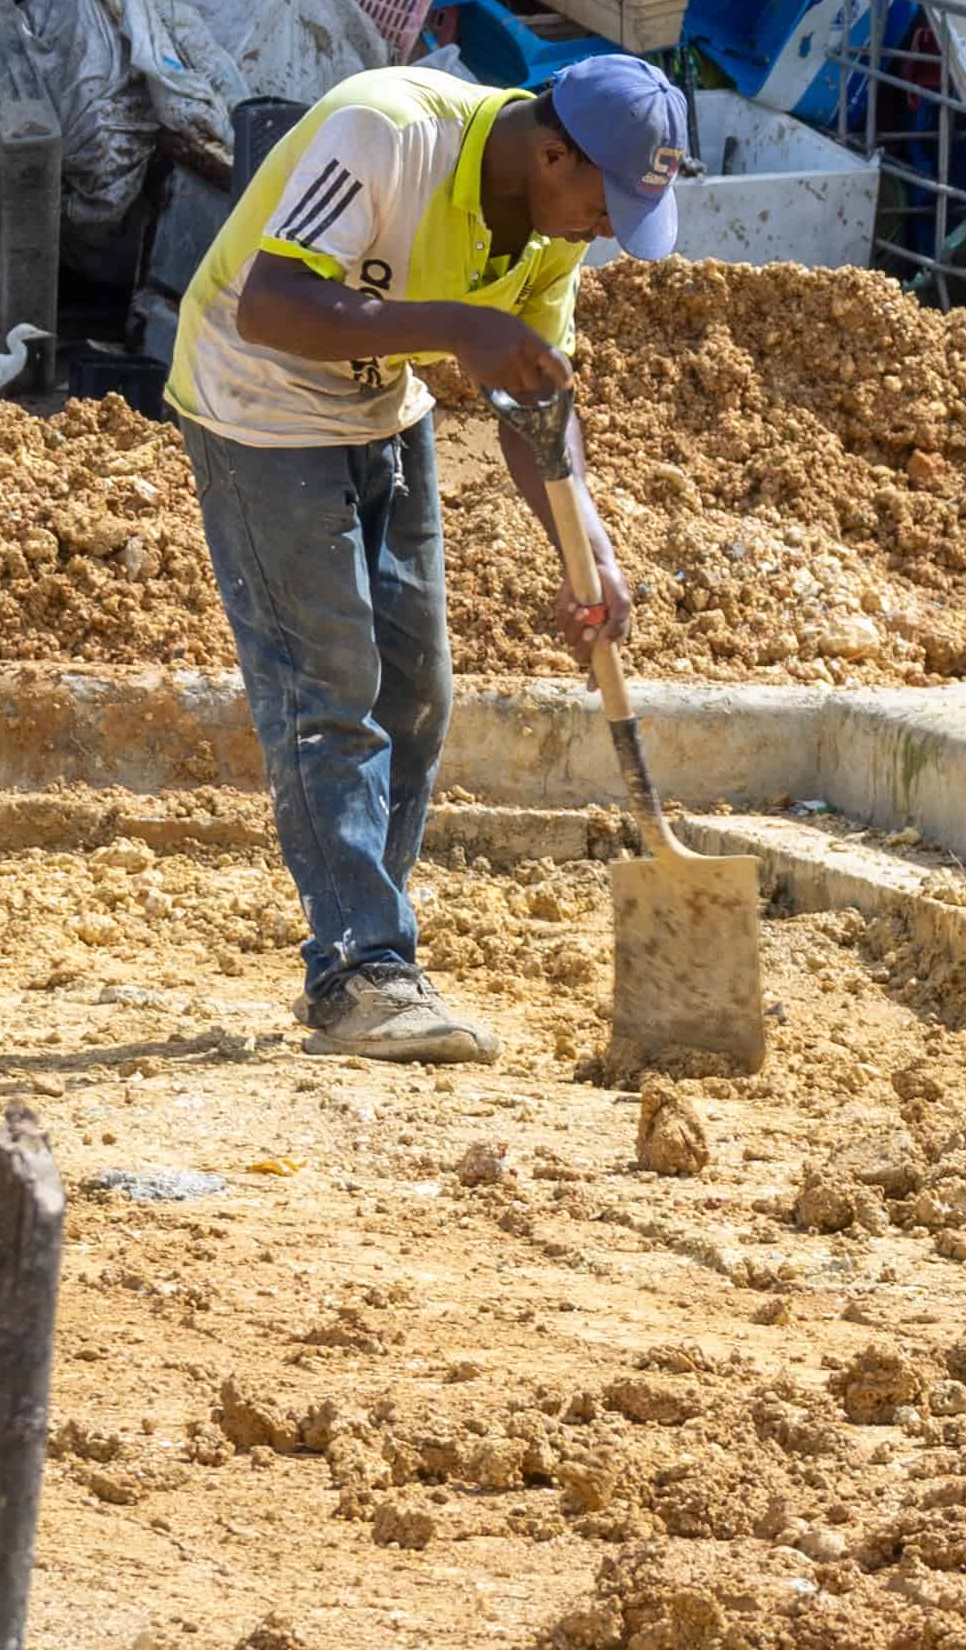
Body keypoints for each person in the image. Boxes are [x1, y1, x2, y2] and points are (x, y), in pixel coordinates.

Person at [169, 55, 693, 1063]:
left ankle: (375, 952)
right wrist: (458, 327)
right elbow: (270, 306)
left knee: (417, 694)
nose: (604, 229)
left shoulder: (548, 228)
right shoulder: (386, 132)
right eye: (605, 203)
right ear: (552, 154)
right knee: (330, 687)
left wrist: (589, 549)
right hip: (258, 403)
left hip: (378, 404)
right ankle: (360, 967)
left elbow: (533, 401)